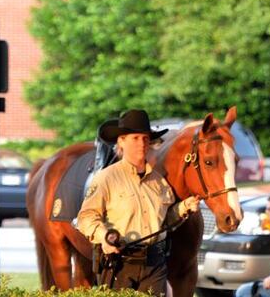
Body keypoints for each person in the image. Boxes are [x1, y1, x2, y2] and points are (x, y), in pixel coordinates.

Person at [77, 109, 200, 295]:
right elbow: (86, 218)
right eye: (135, 138)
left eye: (145, 138)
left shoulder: (159, 182)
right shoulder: (106, 178)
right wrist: (105, 237)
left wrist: (183, 208)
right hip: (119, 263)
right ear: (121, 141)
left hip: (154, 263)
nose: (141, 144)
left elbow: (164, 223)